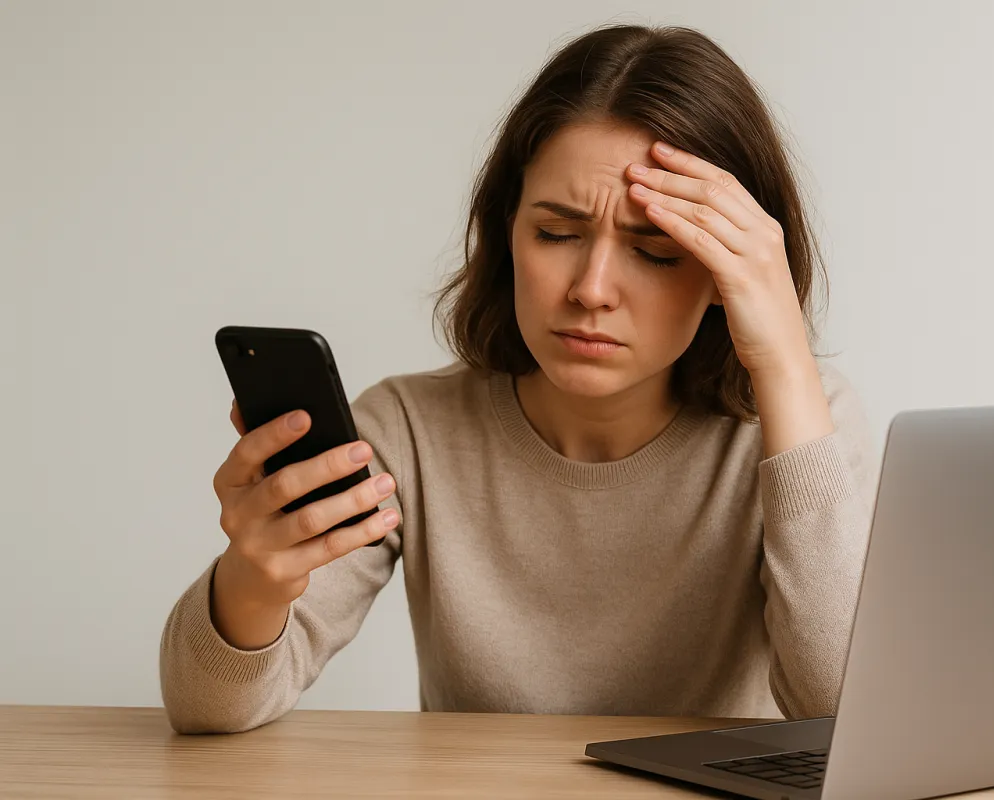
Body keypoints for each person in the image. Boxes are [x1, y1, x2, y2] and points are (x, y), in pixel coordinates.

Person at [160, 22, 877, 734]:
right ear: (507, 233)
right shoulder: (409, 433)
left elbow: (843, 714)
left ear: (730, 273)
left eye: (655, 251)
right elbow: (206, 709)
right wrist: (254, 580)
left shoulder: (804, 427)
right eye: (557, 235)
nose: (592, 289)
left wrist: (783, 362)